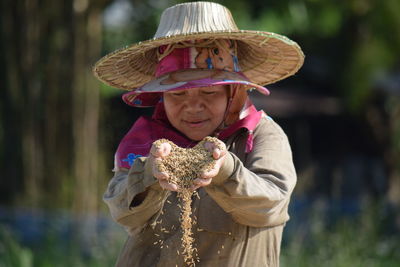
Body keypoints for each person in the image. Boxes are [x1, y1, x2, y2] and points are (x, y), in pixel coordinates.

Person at [93, 2, 304, 266]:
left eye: (209, 92)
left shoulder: (261, 135)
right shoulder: (149, 143)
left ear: (233, 92)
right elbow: (124, 213)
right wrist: (151, 174)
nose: (193, 106)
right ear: (161, 96)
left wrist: (225, 171)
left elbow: (269, 206)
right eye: (177, 94)